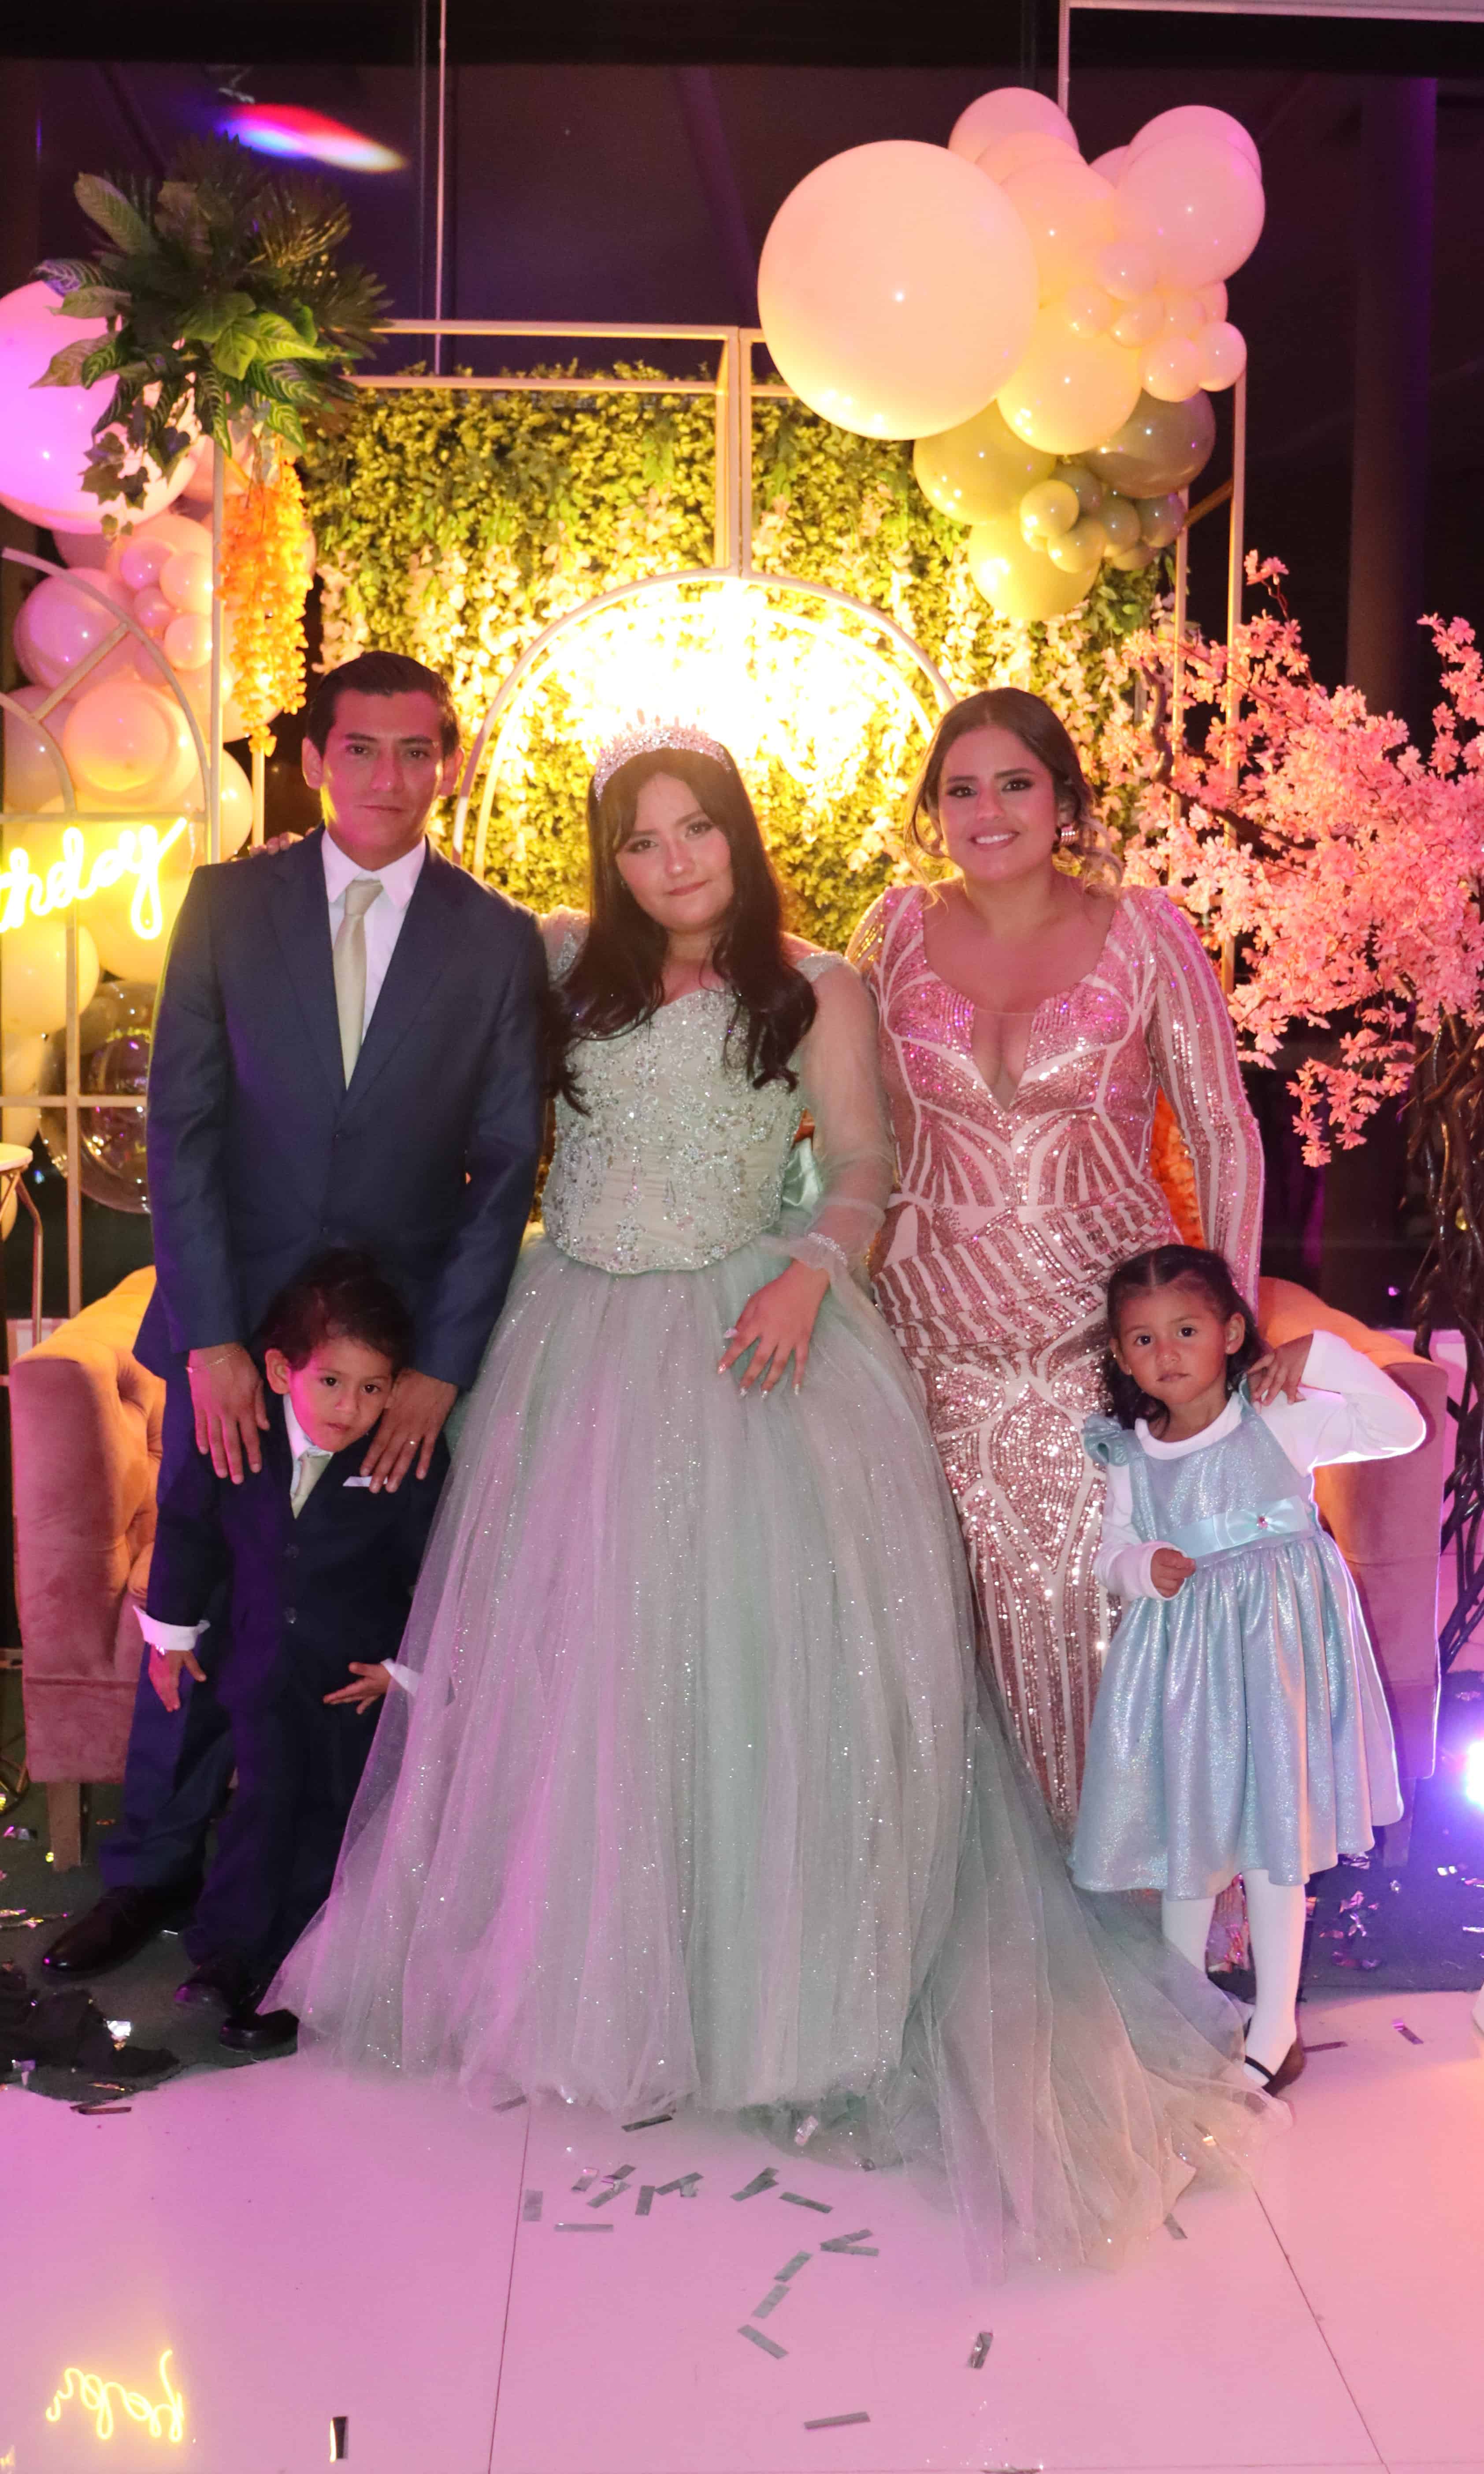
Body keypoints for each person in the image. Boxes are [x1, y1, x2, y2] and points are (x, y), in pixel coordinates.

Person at [274, 721, 1272, 2279]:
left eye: (696, 830)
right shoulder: (561, 961)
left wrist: (811, 1272)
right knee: (592, 1672)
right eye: (641, 838)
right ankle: (590, 1982)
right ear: (610, 859)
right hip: (575, 1341)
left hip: (756, 1333)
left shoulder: (819, 983)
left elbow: (866, 1164)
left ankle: (774, 1994)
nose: (671, 861)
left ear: (739, 838)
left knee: (755, 1672)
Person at [44, 651, 547, 1985]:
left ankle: (336, 1892)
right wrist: (214, 1338)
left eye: (417, 750)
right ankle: (150, 1870)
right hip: (238, 1339)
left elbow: (508, 1164)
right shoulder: (226, 904)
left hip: (391, 1367)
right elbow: (185, 1126)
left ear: (448, 765)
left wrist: (440, 1369)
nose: (391, 775)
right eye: (362, 748)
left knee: (345, 1612)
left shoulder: (495, 938)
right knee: (199, 1596)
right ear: (316, 761)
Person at [849, 689, 1264, 1831]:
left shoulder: (1147, 933)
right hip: (925, 1357)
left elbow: (1223, 1132)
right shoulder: (890, 931)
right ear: (934, 810)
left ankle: (1136, 1884)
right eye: (961, 789)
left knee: (1117, 1624)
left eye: (1014, 783)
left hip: (1106, 1360)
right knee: (939, 1644)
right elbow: (846, 1130)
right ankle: (970, 1906)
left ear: (1065, 800)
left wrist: (1226, 1341)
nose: (988, 810)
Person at [1072, 1244, 1413, 2094]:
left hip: (1277, 1659)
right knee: (1189, 1838)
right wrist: (1140, 1564)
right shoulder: (1131, 1452)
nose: (1168, 1354)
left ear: (1230, 1333)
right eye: (1144, 1340)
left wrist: (1323, 1357)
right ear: (1121, 1356)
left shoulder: (1277, 1416)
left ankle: (1275, 2022)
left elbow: (1400, 1428)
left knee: (1274, 1838)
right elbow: (1111, 1552)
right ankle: (1181, 2008)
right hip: (1188, 1675)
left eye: (1186, 1330)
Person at [143, 1250, 448, 2051]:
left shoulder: (405, 1462)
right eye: (333, 1382)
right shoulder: (235, 1436)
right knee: (260, 1804)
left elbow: (441, 1570)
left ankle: (299, 1976)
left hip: (349, 1685)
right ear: (282, 1372)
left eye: (374, 1388)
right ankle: (229, 1950)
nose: (351, 1407)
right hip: (258, 1670)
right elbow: (188, 1531)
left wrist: (405, 1672)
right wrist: (172, 1635)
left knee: (327, 1823)